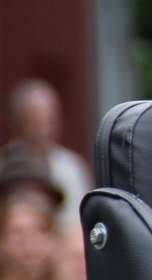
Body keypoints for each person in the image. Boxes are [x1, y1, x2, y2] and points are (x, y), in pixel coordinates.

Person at [3, 80, 89, 227]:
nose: (45, 129)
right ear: (18, 121)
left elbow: (78, 224)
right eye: (36, 121)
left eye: (50, 120)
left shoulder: (72, 167)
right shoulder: (3, 164)